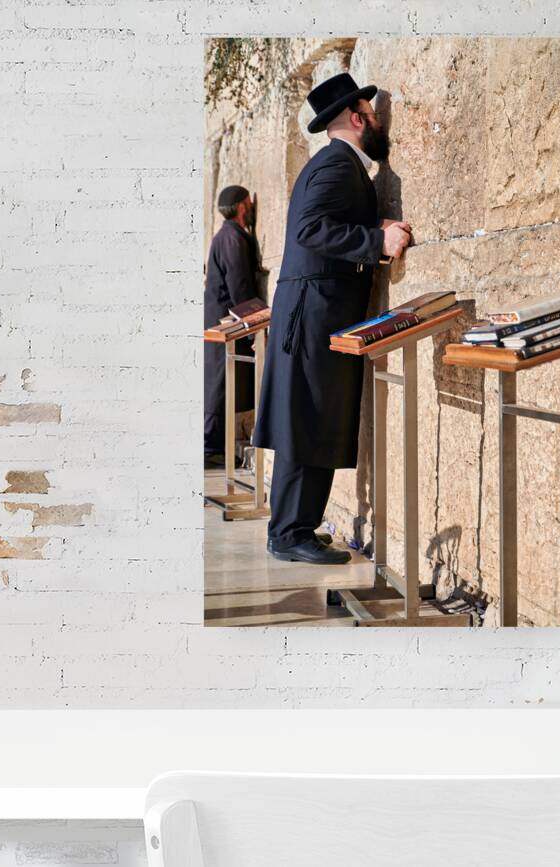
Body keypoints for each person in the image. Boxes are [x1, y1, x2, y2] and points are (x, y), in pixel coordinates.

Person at [252, 72, 412, 565]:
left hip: (316, 312)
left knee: (311, 421)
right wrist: (374, 241)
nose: (378, 119)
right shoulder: (337, 165)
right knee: (305, 422)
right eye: (372, 111)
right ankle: (287, 533)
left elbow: (326, 224)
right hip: (313, 315)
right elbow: (310, 229)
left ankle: (296, 526)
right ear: (357, 117)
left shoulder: (338, 164)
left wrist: (371, 228)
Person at [203, 184, 261, 467]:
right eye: (249, 203)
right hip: (227, 320)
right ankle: (210, 446)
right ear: (241, 206)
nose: (251, 209)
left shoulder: (228, 236)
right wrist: (254, 321)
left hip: (224, 319)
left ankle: (213, 445)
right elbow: (239, 285)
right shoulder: (232, 239)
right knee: (219, 383)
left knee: (222, 380)